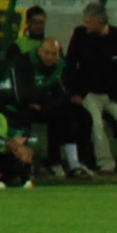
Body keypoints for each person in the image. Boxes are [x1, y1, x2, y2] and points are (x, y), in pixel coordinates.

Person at [66, 3, 117, 174]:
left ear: (101, 22)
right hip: (90, 94)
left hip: (115, 94)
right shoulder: (80, 35)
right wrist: (76, 93)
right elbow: (70, 66)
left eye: (89, 21)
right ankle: (105, 164)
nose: (86, 25)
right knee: (96, 124)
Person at [20, 29, 90, 177]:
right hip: (27, 105)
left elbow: (65, 93)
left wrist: (45, 105)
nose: (50, 57)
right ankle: (27, 163)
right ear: (39, 51)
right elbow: (22, 91)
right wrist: (41, 101)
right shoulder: (24, 61)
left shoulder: (62, 66)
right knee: (24, 115)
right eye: (46, 53)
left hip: (48, 106)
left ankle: (75, 163)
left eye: (54, 54)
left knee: (77, 116)